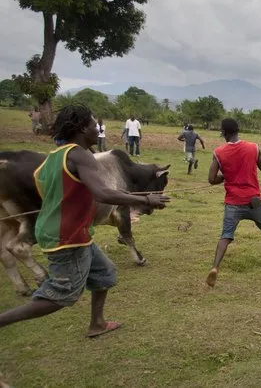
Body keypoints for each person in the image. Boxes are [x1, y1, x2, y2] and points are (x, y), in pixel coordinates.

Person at [0, 105, 169, 337]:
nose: (97, 129)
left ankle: (97, 323)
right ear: (81, 128)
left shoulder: (53, 158)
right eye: (92, 125)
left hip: (67, 232)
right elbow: (103, 193)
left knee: (105, 274)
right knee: (62, 295)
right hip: (67, 238)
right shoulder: (80, 155)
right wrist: (146, 198)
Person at [206, 118, 261, 288]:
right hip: (253, 200)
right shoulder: (253, 147)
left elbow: (211, 179)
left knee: (225, 236)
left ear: (224, 133)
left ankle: (215, 267)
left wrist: (225, 177)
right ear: (238, 130)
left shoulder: (219, 152)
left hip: (233, 202)